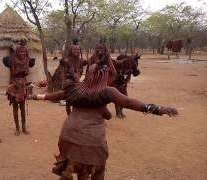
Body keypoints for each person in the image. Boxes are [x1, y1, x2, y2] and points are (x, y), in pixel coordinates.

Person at [30, 62, 178, 180]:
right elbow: (128, 102)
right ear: (104, 76)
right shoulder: (107, 91)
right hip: (91, 139)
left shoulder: (75, 88)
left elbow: (55, 96)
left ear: (87, 75)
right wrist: (157, 109)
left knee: (70, 164)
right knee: (98, 170)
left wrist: (35, 97)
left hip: (68, 135)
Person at [4, 41, 35, 136]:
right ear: (17, 52)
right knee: (15, 107)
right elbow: (14, 73)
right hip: (14, 85)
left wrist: (22, 73)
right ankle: (17, 128)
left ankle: (24, 127)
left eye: (24, 52)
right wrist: (21, 72)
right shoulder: (12, 60)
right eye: (20, 52)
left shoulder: (27, 60)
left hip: (22, 86)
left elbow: (26, 73)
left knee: (22, 107)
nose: (22, 53)